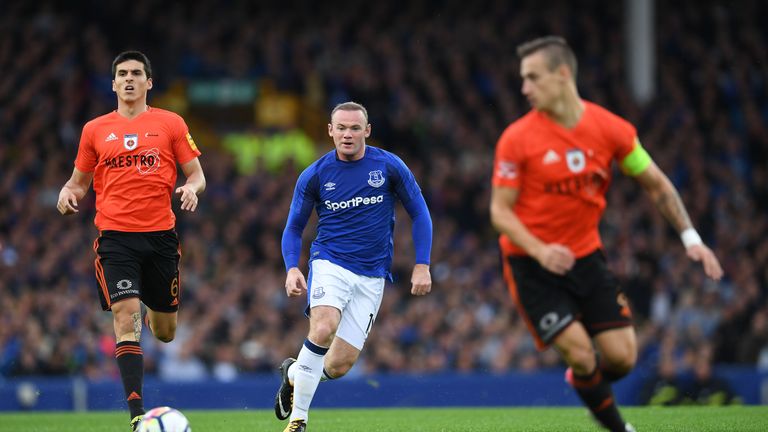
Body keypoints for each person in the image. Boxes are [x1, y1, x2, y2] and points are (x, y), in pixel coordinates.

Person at [489, 36, 723, 432]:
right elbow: (499, 211)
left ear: (563, 74)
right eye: (523, 79)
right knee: (582, 354)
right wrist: (541, 250)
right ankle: (619, 427)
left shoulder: (612, 130)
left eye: (533, 77)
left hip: (586, 257)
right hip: (530, 262)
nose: (524, 88)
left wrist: (692, 239)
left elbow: (657, 184)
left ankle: (584, 384)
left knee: (622, 359)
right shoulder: (517, 139)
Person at [57, 50, 205, 431]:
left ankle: (159, 318)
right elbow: (78, 182)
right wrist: (67, 193)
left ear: (148, 82)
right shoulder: (94, 130)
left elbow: (197, 175)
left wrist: (191, 188)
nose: (128, 79)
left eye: (136, 73)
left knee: (165, 332)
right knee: (126, 315)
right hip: (115, 240)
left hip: (160, 240)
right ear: (113, 83)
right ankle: (137, 416)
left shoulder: (170, 123)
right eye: (122, 74)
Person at [275, 101, 432, 432]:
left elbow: (419, 213)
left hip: (373, 274)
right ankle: (299, 420)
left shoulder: (389, 166)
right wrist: (292, 267)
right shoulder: (315, 174)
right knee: (322, 328)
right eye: (341, 128)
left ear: (367, 131)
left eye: (355, 128)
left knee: (339, 365)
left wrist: (423, 264)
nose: (348, 134)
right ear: (330, 131)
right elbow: (293, 228)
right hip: (330, 261)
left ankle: (293, 372)